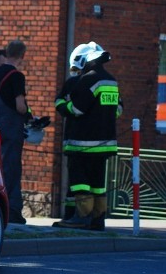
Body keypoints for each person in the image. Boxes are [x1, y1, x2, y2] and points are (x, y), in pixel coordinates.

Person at [53, 41, 123, 230]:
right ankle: (98, 219)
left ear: (83, 60)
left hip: (83, 143)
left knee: (79, 180)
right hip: (105, 143)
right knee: (97, 182)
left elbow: (76, 109)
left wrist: (60, 103)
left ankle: (82, 217)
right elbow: (117, 110)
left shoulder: (88, 80)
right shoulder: (111, 80)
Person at [0, 40, 30, 224]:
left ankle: (1, 206)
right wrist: (30, 115)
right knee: (13, 168)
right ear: (22, 55)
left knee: (1, 167)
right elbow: (20, 106)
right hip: (13, 127)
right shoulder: (17, 77)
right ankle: (13, 210)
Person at [54, 52, 83, 219]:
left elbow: (58, 103)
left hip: (72, 138)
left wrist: (68, 109)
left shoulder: (72, 83)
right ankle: (82, 215)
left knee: (75, 180)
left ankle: (71, 215)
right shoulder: (90, 82)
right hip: (86, 140)